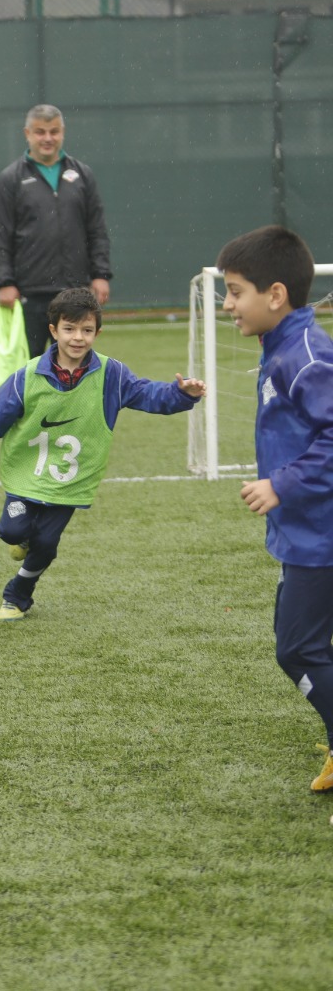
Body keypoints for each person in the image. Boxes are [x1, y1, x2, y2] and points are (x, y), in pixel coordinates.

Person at [0, 287, 205, 621]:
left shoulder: (112, 374)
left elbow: (148, 394)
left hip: (70, 482)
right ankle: (23, 541)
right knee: (12, 532)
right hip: (26, 474)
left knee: (45, 543)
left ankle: (17, 595)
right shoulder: (27, 376)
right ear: (53, 331)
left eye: (87, 330)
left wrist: (180, 394)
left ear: (97, 333)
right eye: (70, 329)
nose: (78, 338)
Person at [216, 225, 333, 792]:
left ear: (276, 294)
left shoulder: (306, 357)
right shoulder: (284, 346)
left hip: (322, 537)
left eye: (236, 291)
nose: (227, 304)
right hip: (307, 534)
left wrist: (282, 483)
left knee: (298, 650)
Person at [0, 104, 113, 358]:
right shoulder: (11, 178)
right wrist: (5, 282)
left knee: (74, 364)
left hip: (74, 290)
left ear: (63, 132)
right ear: (27, 134)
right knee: (28, 368)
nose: (47, 138)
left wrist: (100, 274)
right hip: (29, 293)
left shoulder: (82, 174)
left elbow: (96, 230)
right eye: (40, 132)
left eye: (54, 132)